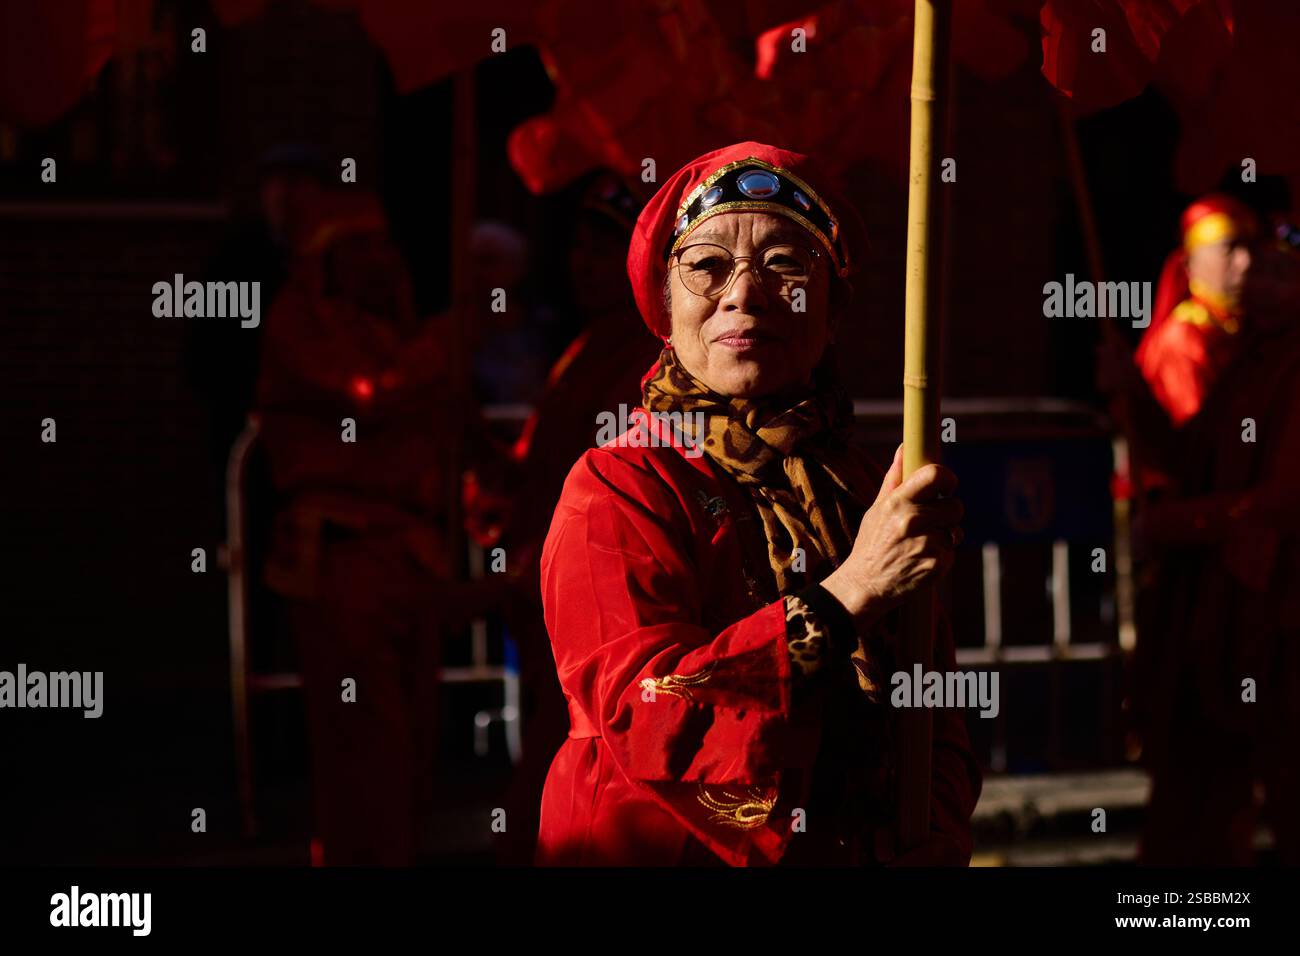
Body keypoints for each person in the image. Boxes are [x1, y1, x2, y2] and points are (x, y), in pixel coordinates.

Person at [534, 142, 981, 866]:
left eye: (784, 264)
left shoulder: (866, 488)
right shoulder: (616, 486)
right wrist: (847, 596)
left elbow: (932, 707)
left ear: (832, 309)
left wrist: (935, 831)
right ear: (665, 304)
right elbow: (650, 710)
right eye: (707, 265)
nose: (743, 293)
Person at [255, 190, 504, 865]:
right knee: (364, 750)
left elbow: (452, 435)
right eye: (358, 246)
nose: (381, 261)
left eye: (384, 244)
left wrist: (489, 491)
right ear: (322, 260)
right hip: (342, 559)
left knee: (410, 752)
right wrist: (452, 335)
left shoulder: (398, 332)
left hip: (410, 563)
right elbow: (372, 393)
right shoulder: (300, 324)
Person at [1130, 220, 1300, 865]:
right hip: (1224, 614)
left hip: (1277, 612)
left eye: (1280, 270)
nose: (1259, 281)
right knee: (1202, 783)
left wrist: (1177, 525)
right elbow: (1194, 452)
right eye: (1255, 265)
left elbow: (1285, 499)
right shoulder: (1249, 359)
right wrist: (1134, 394)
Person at [1134, 194, 1257, 427]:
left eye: (1250, 248)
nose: (1246, 261)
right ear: (1190, 263)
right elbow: (1196, 438)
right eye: (1229, 248)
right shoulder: (1184, 339)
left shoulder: (1242, 328)